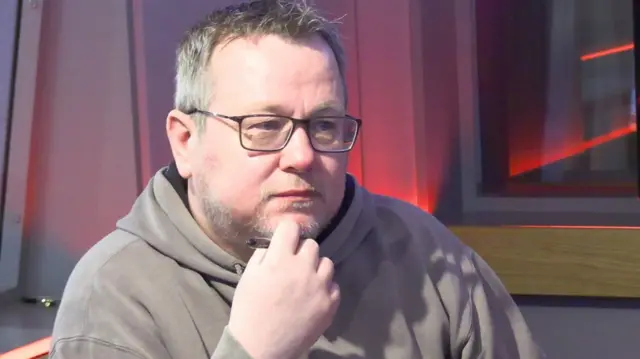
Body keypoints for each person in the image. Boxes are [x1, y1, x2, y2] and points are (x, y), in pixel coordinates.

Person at [50, 0, 545, 358]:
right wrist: (255, 352)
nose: (303, 156)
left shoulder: (423, 250)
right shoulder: (112, 297)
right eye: (264, 127)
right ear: (185, 142)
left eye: (324, 125)